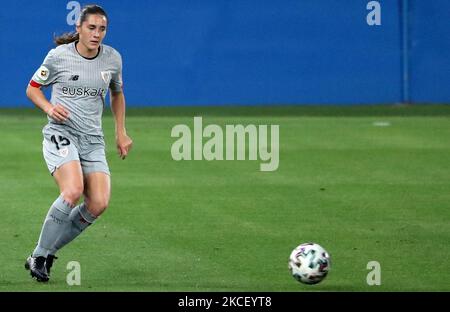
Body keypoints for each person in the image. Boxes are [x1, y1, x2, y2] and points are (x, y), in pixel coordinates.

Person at [24, 4, 132, 282]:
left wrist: (121, 132)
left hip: (93, 140)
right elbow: (32, 88)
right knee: (73, 191)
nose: (97, 34)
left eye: (102, 28)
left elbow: (117, 94)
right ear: (79, 29)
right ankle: (40, 255)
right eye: (91, 27)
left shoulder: (112, 59)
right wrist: (49, 108)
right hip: (61, 134)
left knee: (98, 203)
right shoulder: (59, 57)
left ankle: (44, 251)